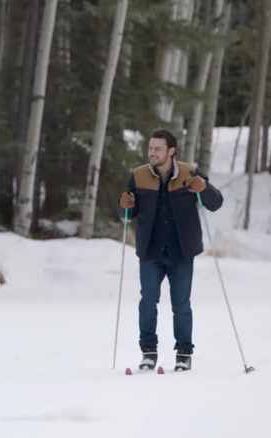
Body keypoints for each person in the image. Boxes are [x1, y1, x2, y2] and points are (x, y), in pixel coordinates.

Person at [117, 129, 223, 372]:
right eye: (150, 148)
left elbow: (216, 203)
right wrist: (123, 205)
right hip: (150, 251)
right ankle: (148, 352)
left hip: (181, 252)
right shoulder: (138, 176)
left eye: (157, 149)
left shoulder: (189, 173)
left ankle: (184, 354)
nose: (152, 152)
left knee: (181, 305)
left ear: (171, 151)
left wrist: (203, 187)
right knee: (148, 302)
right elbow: (128, 213)